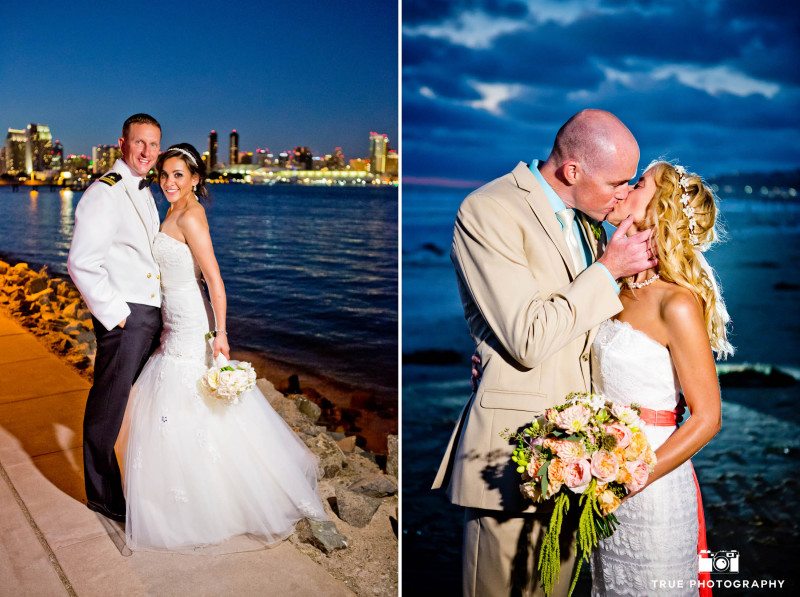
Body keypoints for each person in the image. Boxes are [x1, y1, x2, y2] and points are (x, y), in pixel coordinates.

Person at [432, 109, 657, 596]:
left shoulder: (593, 223)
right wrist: (607, 270)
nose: (623, 193)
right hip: (512, 456)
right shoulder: (488, 209)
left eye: (630, 182)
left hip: (587, 458)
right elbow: (528, 337)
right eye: (617, 182)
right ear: (572, 172)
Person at [115, 143, 327, 550]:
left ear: (195, 178)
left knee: (187, 395)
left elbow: (214, 279)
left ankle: (212, 497)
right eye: (165, 175)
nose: (170, 182)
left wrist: (221, 333)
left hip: (192, 320)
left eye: (179, 175)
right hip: (173, 314)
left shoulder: (192, 216)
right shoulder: (173, 210)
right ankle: (174, 491)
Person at [589, 161, 731, 596]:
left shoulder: (678, 304)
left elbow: (707, 418)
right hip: (597, 475)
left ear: (658, 208)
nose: (627, 187)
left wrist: (634, 477)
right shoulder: (606, 281)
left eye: (640, 183)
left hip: (652, 491)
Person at [67, 113, 163, 523]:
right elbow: (81, 262)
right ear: (122, 144)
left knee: (139, 403)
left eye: (154, 144)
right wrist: (117, 316)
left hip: (148, 314)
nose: (146, 151)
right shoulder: (105, 190)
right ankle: (103, 495)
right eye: (139, 142)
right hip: (127, 316)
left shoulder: (144, 190)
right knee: (109, 406)